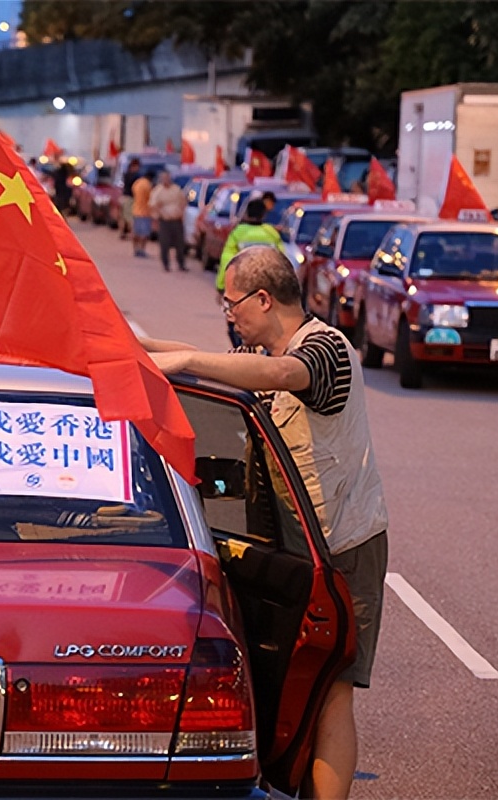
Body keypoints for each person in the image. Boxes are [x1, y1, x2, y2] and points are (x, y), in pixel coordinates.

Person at [143, 246, 388, 800]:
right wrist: (133, 344)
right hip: (295, 546)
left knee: (333, 686)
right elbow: (210, 356)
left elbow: (278, 373)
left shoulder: (326, 350)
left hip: (342, 547)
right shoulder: (265, 350)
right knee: (290, 677)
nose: (228, 315)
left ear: (263, 298)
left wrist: (181, 366)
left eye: (231, 304)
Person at [216, 195, 282, 345]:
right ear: (264, 214)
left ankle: (241, 355)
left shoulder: (238, 233)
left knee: (237, 325)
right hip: (267, 290)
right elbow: (282, 263)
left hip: (242, 290)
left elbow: (227, 262)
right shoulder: (271, 233)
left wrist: (221, 287)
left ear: (247, 213)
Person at [149, 170, 188, 271]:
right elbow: (152, 205)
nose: (166, 180)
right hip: (164, 221)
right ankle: (166, 264)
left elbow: (183, 202)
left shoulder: (176, 189)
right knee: (164, 244)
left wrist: (181, 213)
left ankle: (181, 263)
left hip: (176, 220)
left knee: (180, 244)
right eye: (164, 178)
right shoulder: (158, 191)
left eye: (167, 178)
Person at [130, 169, 153, 258]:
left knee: (136, 232)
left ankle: (135, 249)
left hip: (136, 210)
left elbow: (133, 192)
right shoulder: (147, 185)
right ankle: (142, 250)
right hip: (145, 212)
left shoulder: (137, 182)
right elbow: (150, 198)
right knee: (144, 233)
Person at [119, 157, 141, 240]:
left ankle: (122, 233)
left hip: (124, 197)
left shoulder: (126, 174)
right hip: (131, 198)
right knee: (130, 217)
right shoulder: (136, 176)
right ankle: (133, 233)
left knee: (123, 216)